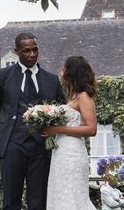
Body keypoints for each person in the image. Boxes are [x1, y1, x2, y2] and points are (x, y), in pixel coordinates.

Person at [0, 32, 65, 210]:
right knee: (11, 201)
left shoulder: (51, 80)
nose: (32, 54)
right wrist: (8, 126)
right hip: (12, 146)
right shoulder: (2, 76)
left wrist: (50, 125)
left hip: (41, 147)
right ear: (16, 51)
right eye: (26, 51)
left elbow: (62, 110)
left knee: (39, 201)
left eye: (35, 50)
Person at [43, 56, 98, 210]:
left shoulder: (84, 97)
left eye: (63, 69)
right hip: (61, 152)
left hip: (72, 154)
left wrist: (58, 129)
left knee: (72, 194)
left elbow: (91, 129)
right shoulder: (71, 98)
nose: (61, 72)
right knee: (61, 192)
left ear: (71, 72)